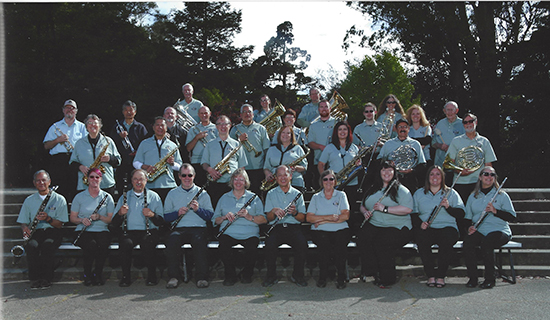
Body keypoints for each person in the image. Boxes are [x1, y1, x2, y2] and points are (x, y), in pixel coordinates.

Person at [358, 161, 413, 288]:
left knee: (382, 242)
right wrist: (365, 212)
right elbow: (362, 205)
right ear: (379, 172)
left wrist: (385, 209)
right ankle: (372, 271)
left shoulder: (401, 190)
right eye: (383, 170)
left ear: (394, 172)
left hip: (397, 226)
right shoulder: (373, 188)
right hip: (377, 224)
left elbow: (407, 209)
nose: (386, 173)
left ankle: (387, 278)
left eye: (389, 170)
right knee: (363, 238)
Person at [163, 164, 215, 289]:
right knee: (172, 241)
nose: (187, 178)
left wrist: (198, 210)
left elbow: (210, 216)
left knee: (200, 242)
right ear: (179, 176)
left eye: (190, 175)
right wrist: (177, 213)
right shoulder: (172, 193)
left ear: (194, 176)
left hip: (198, 228)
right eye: (184, 175)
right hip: (179, 228)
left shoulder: (202, 193)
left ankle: (201, 277)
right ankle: (174, 277)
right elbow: (165, 217)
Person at [464, 167, 516, 289]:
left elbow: (512, 217)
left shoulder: (502, 195)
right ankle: (473, 278)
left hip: (499, 231)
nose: (489, 177)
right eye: (486, 174)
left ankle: (490, 279)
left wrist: (495, 211)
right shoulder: (473, 196)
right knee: (468, 243)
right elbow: (467, 218)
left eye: (492, 174)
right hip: (480, 230)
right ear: (480, 177)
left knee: (487, 243)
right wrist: (469, 227)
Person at [413, 166, 465, 288]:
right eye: (432, 174)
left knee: (446, 241)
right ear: (428, 177)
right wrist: (420, 223)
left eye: (438, 174)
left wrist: (448, 207)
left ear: (442, 177)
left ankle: (441, 276)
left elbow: (461, 214)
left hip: (447, 227)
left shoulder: (451, 193)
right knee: (422, 240)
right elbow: (413, 213)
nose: (435, 177)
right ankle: (430, 275)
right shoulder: (419, 193)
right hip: (428, 227)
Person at [213, 168, 266, 286]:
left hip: (249, 233)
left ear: (246, 182)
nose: (238, 182)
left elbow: (263, 219)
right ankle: (230, 275)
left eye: (241, 179)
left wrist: (249, 216)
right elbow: (215, 220)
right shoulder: (224, 198)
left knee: (252, 247)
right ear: (231, 181)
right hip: (229, 231)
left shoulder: (254, 198)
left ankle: (246, 274)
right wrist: (224, 218)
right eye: (235, 179)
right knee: (224, 245)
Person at [111, 169, 164, 287]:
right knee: (125, 244)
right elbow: (114, 222)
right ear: (131, 181)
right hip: (129, 231)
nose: (138, 182)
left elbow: (161, 221)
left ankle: (151, 275)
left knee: (148, 243)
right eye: (135, 179)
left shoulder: (154, 196)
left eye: (141, 179)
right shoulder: (125, 197)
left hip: (148, 230)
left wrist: (152, 215)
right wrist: (120, 213)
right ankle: (126, 277)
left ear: (146, 181)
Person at [16, 170, 68, 289]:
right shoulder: (29, 200)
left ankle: (46, 278)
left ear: (49, 182)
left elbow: (60, 224)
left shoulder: (59, 199)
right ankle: (34, 278)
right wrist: (24, 228)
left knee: (47, 245)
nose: (41, 183)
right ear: (34, 183)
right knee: (31, 246)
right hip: (36, 231)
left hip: (53, 230)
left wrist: (48, 218)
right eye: (38, 180)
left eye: (44, 180)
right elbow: (23, 221)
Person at [262, 165, 308, 287]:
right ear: (276, 178)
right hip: (276, 228)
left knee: (302, 244)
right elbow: (269, 219)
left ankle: (298, 275)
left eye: (285, 175)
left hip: (293, 227)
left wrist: (295, 213)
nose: (283, 178)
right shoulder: (271, 193)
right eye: (280, 175)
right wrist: (273, 211)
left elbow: (302, 218)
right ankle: (271, 276)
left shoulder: (298, 194)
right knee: (269, 245)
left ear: (290, 176)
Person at [70, 169, 115, 286]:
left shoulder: (107, 197)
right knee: (91, 245)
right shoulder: (79, 197)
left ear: (101, 179)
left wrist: (100, 217)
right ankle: (88, 274)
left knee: (103, 244)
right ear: (87, 179)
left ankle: (98, 273)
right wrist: (81, 220)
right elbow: (72, 218)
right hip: (83, 230)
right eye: (91, 177)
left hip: (102, 229)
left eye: (97, 177)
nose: (94, 179)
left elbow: (110, 219)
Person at [306, 170, 351, 289]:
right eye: (325, 179)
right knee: (324, 245)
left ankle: (341, 276)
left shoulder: (341, 195)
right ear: (321, 182)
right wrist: (330, 217)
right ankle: (323, 276)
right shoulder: (316, 197)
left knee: (340, 245)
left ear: (335, 181)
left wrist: (322, 221)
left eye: (331, 179)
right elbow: (309, 217)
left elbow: (345, 216)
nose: (328, 182)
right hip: (320, 231)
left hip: (340, 229)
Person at [318, 121, 361, 232]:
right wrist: (325, 179)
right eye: (340, 129)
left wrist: (358, 164)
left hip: (351, 182)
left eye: (345, 129)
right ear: (336, 132)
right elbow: (321, 164)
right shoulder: (329, 147)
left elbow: (358, 164)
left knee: (350, 208)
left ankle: (350, 231)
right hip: (335, 183)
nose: (342, 132)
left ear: (348, 132)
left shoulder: (354, 147)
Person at [445, 113, 497, 204]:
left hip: (479, 182)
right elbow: (449, 163)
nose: (468, 124)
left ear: (476, 122)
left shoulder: (484, 141)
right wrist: (460, 171)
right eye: (465, 122)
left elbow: (488, 165)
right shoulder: (456, 141)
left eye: (470, 121)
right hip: (460, 182)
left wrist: (488, 182)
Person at [43, 99, 87, 202]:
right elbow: (46, 146)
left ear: (76, 111)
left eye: (72, 108)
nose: (69, 110)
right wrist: (57, 140)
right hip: (59, 162)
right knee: (59, 190)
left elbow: (87, 145)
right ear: (63, 110)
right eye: (67, 108)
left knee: (75, 189)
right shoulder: (55, 127)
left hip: (75, 160)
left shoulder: (82, 127)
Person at [70, 114, 121, 197]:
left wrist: (109, 159)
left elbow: (118, 161)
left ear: (100, 126)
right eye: (90, 123)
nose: (93, 125)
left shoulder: (108, 141)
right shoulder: (79, 143)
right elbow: (72, 162)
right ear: (86, 127)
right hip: (85, 185)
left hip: (106, 184)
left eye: (95, 123)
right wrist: (80, 167)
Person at [202, 115, 248, 207]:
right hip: (215, 183)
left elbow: (242, 166)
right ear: (216, 126)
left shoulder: (237, 144)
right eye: (220, 124)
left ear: (230, 126)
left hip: (232, 184)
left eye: (225, 124)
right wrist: (210, 170)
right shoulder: (210, 144)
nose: (223, 126)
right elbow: (204, 163)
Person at [133, 116, 183, 202]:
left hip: (168, 184)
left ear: (166, 128)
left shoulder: (173, 145)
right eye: (157, 125)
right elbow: (135, 162)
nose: (160, 127)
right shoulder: (144, 143)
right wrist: (145, 167)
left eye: (162, 125)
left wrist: (173, 163)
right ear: (153, 127)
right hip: (149, 184)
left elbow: (180, 167)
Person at [110, 100, 148, 197]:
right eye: (126, 110)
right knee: (120, 185)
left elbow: (145, 143)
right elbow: (110, 142)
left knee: (135, 183)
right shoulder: (117, 127)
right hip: (121, 161)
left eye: (131, 110)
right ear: (123, 112)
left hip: (135, 161)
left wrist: (138, 152)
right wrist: (119, 137)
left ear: (135, 112)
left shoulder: (140, 127)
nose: (129, 112)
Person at [230, 104, 271, 195]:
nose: (247, 114)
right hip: (241, 169)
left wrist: (267, 167)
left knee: (258, 195)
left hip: (258, 168)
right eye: (244, 112)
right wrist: (238, 140)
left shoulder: (261, 128)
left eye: (249, 111)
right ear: (240, 115)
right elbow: (229, 150)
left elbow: (266, 149)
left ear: (253, 114)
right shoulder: (235, 129)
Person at [377, 119, 426, 193]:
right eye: (400, 127)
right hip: (392, 178)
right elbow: (379, 160)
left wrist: (412, 170)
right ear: (396, 129)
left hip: (410, 178)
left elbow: (422, 164)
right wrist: (389, 164)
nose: (402, 129)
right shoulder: (388, 144)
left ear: (409, 129)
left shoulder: (416, 144)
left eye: (405, 127)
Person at [263, 126, 308, 192]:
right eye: (283, 132)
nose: (285, 135)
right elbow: (266, 167)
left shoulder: (298, 148)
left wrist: (296, 167)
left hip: (295, 182)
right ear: (279, 135)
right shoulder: (272, 149)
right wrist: (268, 174)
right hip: (275, 183)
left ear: (291, 135)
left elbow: (304, 167)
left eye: (288, 133)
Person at [307, 99, 336, 190]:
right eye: (321, 107)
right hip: (318, 160)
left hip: (334, 161)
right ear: (318, 110)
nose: (324, 109)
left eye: (326, 107)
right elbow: (310, 143)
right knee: (319, 186)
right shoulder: (313, 125)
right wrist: (320, 147)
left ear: (330, 108)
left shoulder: (336, 122)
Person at [185, 106, 218, 186]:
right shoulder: (193, 129)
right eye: (201, 113)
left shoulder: (217, 128)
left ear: (210, 114)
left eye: (206, 113)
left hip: (212, 163)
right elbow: (188, 148)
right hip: (197, 163)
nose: (204, 115)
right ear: (198, 115)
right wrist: (196, 138)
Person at [432, 101, 465, 169]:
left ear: (456, 111)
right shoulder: (440, 124)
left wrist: (451, 148)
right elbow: (433, 143)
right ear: (444, 111)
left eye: (452, 110)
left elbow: (466, 143)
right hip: (440, 164)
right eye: (447, 110)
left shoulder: (463, 124)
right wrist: (440, 145)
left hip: (457, 164)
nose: (449, 112)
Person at [406, 104, 433, 184]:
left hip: (425, 160)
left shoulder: (426, 127)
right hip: (410, 161)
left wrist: (413, 141)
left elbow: (427, 140)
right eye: (413, 114)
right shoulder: (407, 129)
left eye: (418, 114)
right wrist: (420, 143)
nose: (415, 116)